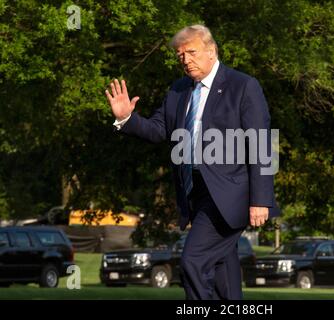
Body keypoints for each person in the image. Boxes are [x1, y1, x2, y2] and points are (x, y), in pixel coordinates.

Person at [105, 25, 279, 300]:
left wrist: (261, 199)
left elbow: (260, 145)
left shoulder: (243, 86)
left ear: (211, 51)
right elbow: (158, 130)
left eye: (191, 52)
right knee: (223, 271)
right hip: (194, 194)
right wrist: (127, 119)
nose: (185, 59)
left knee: (193, 262)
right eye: (180, 55)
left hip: (231, 195)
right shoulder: (178, 90)